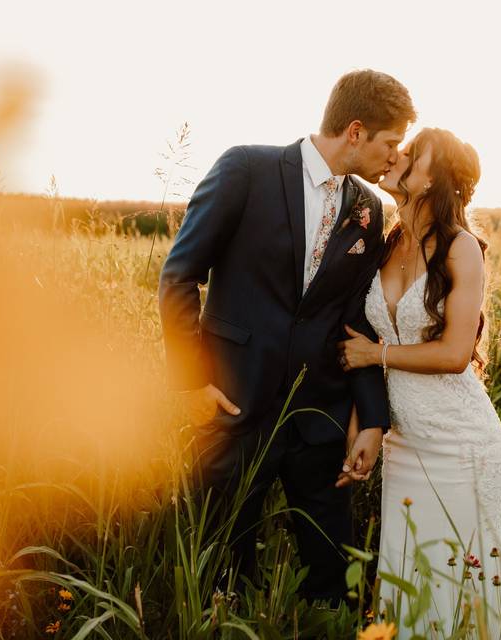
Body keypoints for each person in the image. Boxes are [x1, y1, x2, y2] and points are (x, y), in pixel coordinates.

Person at [158, 69, 416, 602]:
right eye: (391, 143)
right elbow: (180, 274)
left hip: (318, 419)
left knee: (336, 578)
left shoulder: (368, 210)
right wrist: (191, 382)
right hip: (234, 407)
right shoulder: (245, 170)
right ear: (356, 130)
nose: (395, 158)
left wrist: (371, 418)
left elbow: (359, 319)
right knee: (221, 577)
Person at [338, 128, 501, 637]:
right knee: (407, 578)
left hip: (460, 443)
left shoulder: (460, 249)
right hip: (404, 444)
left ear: (436, 179)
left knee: (457, 583)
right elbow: (357, 338)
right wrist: (362, 426)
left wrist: (377, 353)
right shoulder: (387, 242)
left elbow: (457, 354)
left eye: (412, 155)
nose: (398, 156)